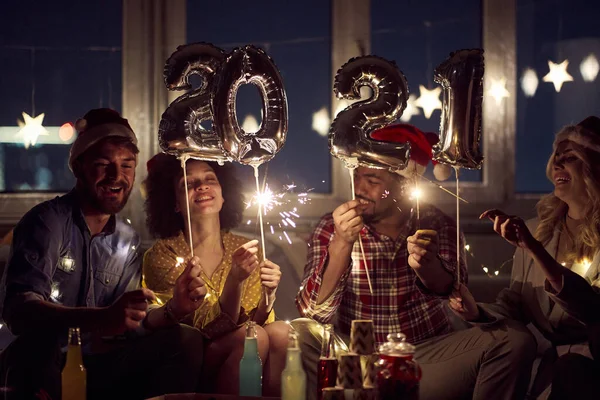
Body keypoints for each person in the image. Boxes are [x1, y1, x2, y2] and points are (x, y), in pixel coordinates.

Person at [295, 123, 537, 400]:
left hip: (420, 358)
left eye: (373, 181)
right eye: (358, 177)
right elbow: (313, 313)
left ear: (405, 185)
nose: (359, 188)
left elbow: (452, 288)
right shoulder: (332, 225)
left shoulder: (436, 224)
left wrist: (426, 265)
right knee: (300, 332)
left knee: (515, 341)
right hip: (353, 359)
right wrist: (341, 242)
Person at [0, 108, 206, 400]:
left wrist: (175, 309)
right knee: (33, 351)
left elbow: (129, 327)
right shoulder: (47, 222)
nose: (117, 176)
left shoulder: (127, 240)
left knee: (184, 339)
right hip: (48, 365)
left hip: (103, 367)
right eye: (102, 164)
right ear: (79, 167)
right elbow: (19, 311)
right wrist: (100, 319)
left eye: (127, 166)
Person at [449, 116, 600, 399]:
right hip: (543, 370)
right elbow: (515, 305)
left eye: (570, 158)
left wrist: (534, 249)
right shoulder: (537, 231)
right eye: (556, 156)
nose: (557, 164)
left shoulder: (532, 241)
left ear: (595, 167)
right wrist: (476, 311)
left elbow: (592, 307)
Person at [143, 152, 290, 396]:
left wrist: (269, 297)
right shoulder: (162, 255)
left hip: (246, 344)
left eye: (210, 179)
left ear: (224, 196)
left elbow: (259, 322)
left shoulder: (245, 248)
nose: (202, 186)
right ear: (175, 203)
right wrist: (234, 280)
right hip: (189, 360)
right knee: (250, 339)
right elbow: (203, 329)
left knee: (282, 333)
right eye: (188, 183)